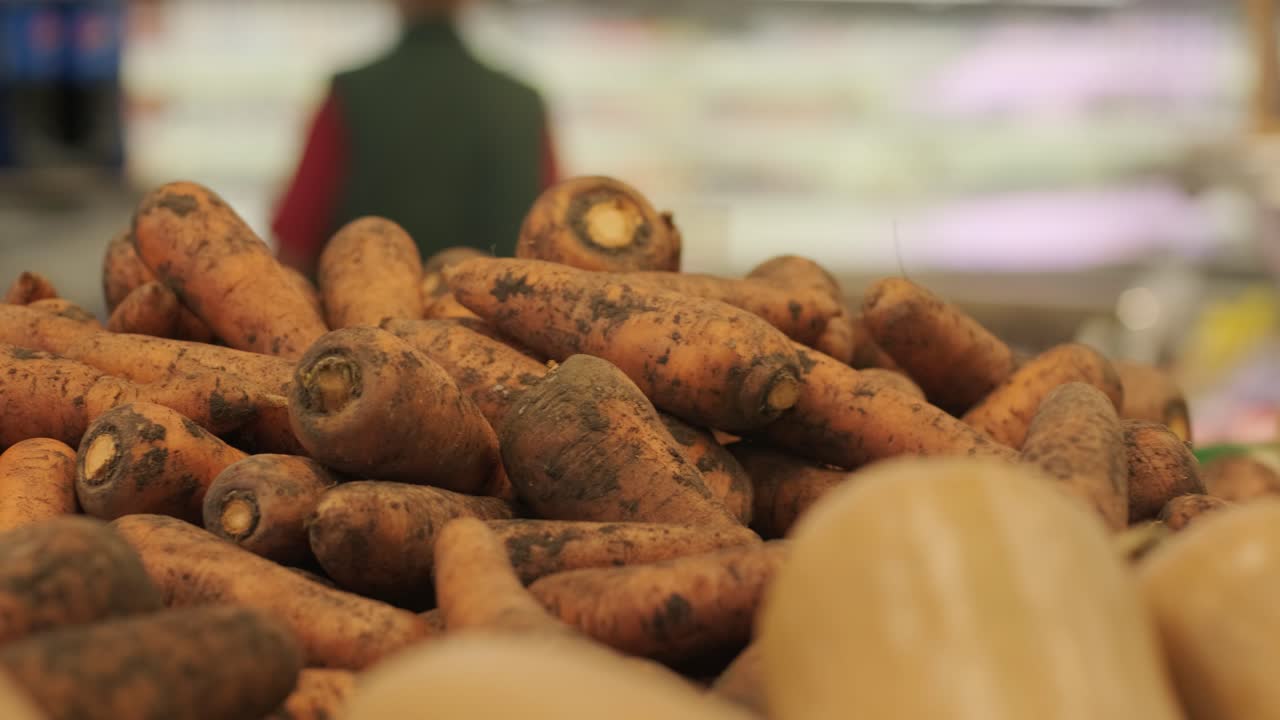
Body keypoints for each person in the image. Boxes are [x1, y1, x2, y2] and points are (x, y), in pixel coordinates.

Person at [272, 0, 558, 274]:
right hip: (496, 322)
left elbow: (295, 241)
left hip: (362, 319)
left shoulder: (349, 93)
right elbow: (558, 235)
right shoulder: (523, 103)